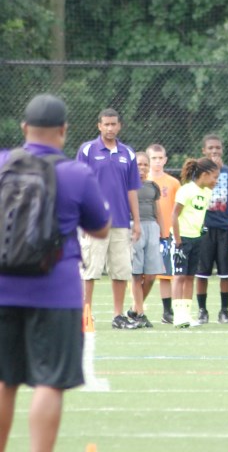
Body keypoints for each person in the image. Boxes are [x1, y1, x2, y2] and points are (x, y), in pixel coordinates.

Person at [0, 94, 110, 452]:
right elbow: (101, 228)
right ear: (64, 130)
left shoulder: (2, 164)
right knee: (49, 382)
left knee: (4, 380)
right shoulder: (76, 173)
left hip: (2, 287)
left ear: (24, 128)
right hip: (56, 291)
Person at [77, 108, 142, 329]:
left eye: (113, 124)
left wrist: (137, 221)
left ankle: (118, 316)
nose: (110, 128)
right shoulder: (87, 150)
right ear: (99, 126)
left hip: (121, 222)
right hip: (94, 222)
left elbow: (132, 190)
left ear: (119, 126)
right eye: (106, 124)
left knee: (121, 271)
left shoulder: (128, 153)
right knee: (90, 271)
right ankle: (85, 314)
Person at [195, 134, 228, 324]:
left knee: (226, 273)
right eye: (210, 148)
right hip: (204, 229)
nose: (214, 151)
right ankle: (202, 310)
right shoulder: (197, 173)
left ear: (222, 150)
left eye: (217, 148)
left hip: (226, 228)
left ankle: (224, 310)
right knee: (201, 273)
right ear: (204, 151)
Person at [172, 157, 220, 328]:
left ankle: (186, 315)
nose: (216, 181)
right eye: (214, 177)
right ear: (205, 174)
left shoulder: (207, 192)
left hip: (196, 238)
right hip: (182, 238)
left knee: (190, 276)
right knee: (179, 276)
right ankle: (177, 316)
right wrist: (178, 241)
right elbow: (174, 215)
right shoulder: (186, 190)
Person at [127, 151, 166, 328]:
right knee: (136, 274)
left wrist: (164, 234)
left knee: (151, 275)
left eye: (145, 165)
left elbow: (158, 211)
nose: (142, 168)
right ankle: (140, 314)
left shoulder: (152, 187)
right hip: (134, 229)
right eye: (138, 165)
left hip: (152, 228)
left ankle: (135, 308)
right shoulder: (126, 185)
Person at [146, 143, 181, 324]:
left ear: (165, 160)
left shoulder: (173, 183)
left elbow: (178, 210)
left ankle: (167, 312)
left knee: (166, 275)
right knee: (141, 274)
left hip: (167, 235)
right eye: (154, 158)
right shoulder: (141, 182)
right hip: (147, 234)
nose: (157, 161)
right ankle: (136, 308)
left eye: (160, 158)